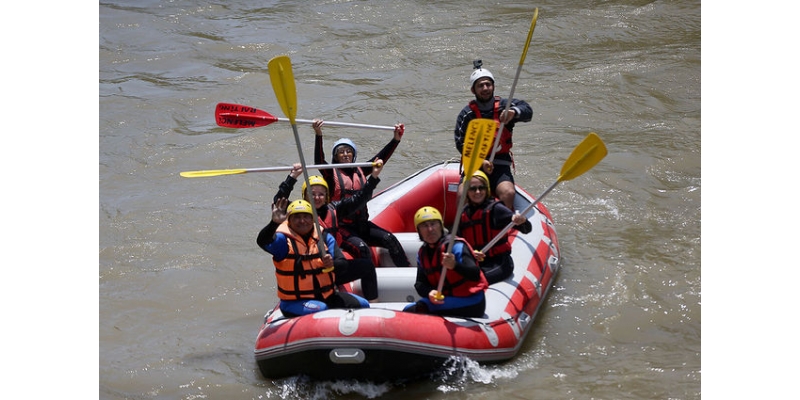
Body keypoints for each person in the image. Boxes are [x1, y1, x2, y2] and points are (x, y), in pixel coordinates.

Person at [271, 162, 386, 301]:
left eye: (321, 194)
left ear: (326, 196)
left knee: (367, 266)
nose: (317, 198)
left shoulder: (336, 208)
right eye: (312, 194)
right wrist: (293, 176)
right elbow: (279, 200)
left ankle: (373, 303)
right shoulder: (298, 212)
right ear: (304, 195)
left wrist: (374, 177)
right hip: (310, 269)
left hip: (332, 265)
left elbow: (361, 198)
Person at [312, 119, 411, 268]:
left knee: (390, 239)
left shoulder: (361, 171)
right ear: (336, 157)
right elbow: (319, 160)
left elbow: (381, 158)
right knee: (363, 249)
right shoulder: (330, 174)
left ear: (353, 155)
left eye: (348, 151)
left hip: (362, 225)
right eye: (341, 152)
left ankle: (406, 272)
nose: (345, 154)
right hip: (343, 228)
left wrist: (396, 140)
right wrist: (318, 134)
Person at [256, 198, 370, 317]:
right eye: (297, 217)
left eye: (306, 216)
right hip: (295, 302)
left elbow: (343, 264)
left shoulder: (324, 237)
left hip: (327, 296)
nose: (302, 221)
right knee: (321, 309)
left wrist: (331, 264)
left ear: (313, 219)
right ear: (289, 220)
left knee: (363, 304)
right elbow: (262, 241)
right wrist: (274, 223)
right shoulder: (283, 241)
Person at [454, 60, 533, 211]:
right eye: (480, 85)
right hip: (475, 163)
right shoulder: (467, 114)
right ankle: (463, 229)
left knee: (508, 192)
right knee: (462, 194)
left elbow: (528, 111)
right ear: (473, 90)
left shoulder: (506, 106)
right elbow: (461, 143)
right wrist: (481, 161)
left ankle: (501, 227)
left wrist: (513, 113)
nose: (485, 88)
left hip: (500, 164)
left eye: (488, 84)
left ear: (493, 86)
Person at [403, 206, 488, 318]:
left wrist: (454, 265)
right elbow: (420, 284)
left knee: (417, 309)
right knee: (409, 309)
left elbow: (475, 274)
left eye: (433, 224)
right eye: (424, 226)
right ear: (419, 231)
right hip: (445, 299)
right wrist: (429, 293)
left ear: (440, 226)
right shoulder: (422, 253)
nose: (430, 229)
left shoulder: (455, 246)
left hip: (471, 301)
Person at [457, 170, 532, 285]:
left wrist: (522, 221)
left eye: (481, 188)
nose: (477, 192)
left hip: (499, 262)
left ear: (486, 190)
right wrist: (470, 253)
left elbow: (527, 229)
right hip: (475, 261)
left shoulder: (496, 209)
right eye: (473, 189)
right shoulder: (463, 214)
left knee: (471, 280)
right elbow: (457, 242)